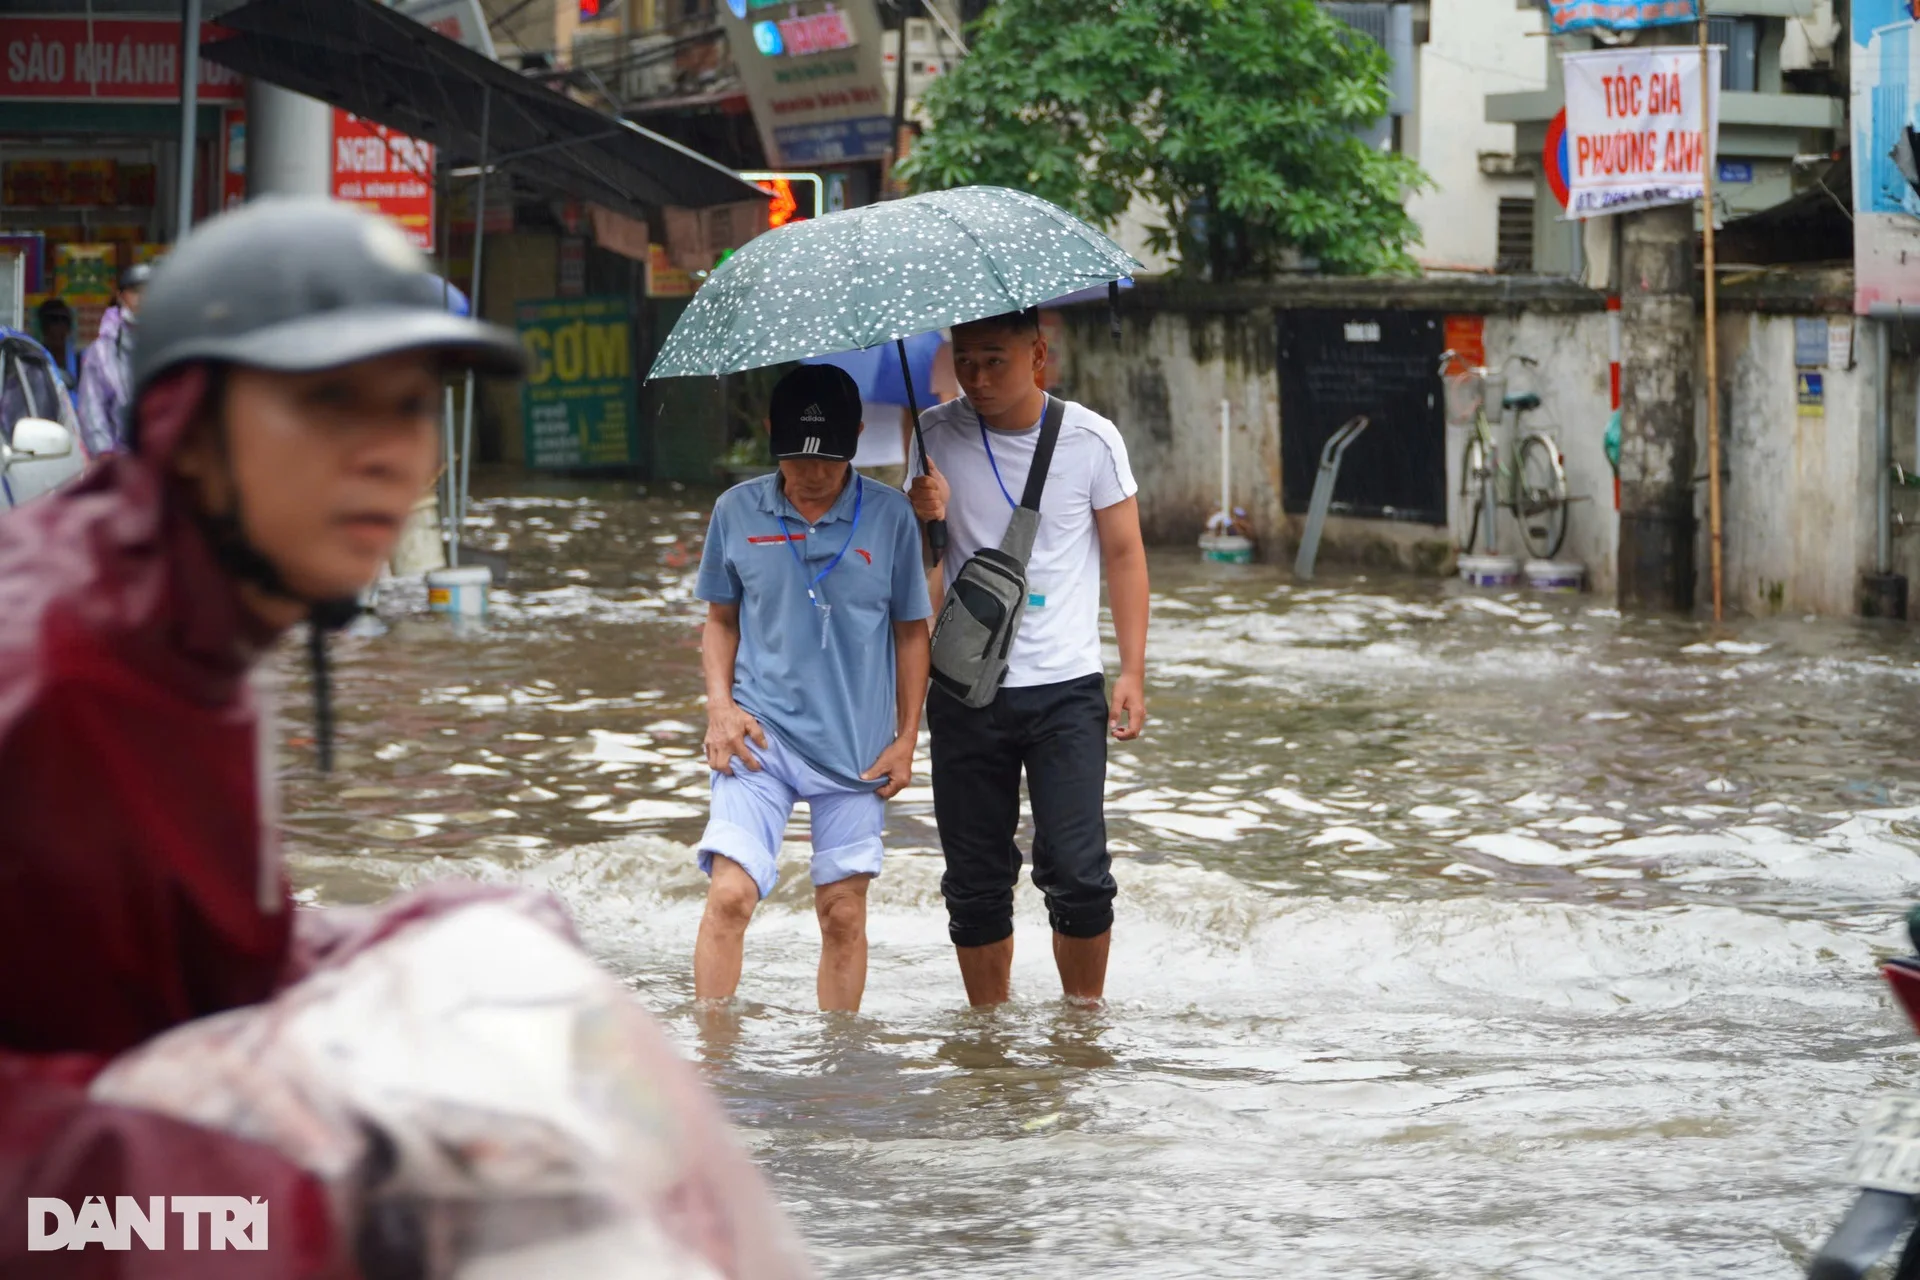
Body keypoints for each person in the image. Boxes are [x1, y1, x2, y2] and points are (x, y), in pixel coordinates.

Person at [0, 197, 525, 1277]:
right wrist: (297, 1210)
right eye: (331, 404)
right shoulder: (73, 677)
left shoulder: (186, 613)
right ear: (190, 435)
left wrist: (438, 935)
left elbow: (203, 963)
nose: (392, 453)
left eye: (413, 406)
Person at [907, 307, 1150, 1007]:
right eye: (965, 360)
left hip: (1066, 687)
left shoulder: (1091, 440)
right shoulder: (932, 436)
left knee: (1077, 873)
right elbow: (917, 579)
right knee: (975, 879)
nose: (977, 377)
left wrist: (1131, 669)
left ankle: (1083, 1025)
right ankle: (988, 1040)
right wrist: (924, 519)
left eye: (995, 360)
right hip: (962, 687)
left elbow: (1126, 555)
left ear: (1037, 355)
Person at [693, 363, 933, 1013]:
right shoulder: (735, 511)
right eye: (797, 456)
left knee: (843, 913)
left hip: (856, 747)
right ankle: (712, 1070)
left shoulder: (890, 517)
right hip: (757, 735)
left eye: (829, 458)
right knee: (731, 895)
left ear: (858, 437)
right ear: (771, 436)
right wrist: (720, 708)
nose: (812, 473)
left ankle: (839, 1075)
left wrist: (908, 739)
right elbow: (719, 620)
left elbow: (915, 633)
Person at [75, 260, 151, 455]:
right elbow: (92, 413)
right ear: (120, 296)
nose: (142, 298)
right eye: (135, 291)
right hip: (122, 464)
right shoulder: (100, 352)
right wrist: (108, 459)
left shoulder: (172, 342)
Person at [36, 296, 78, 390]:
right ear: (44, 328)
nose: (59, 327)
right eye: (53, 321)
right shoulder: (34, 362)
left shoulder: (79, 363)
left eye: (64, 321)